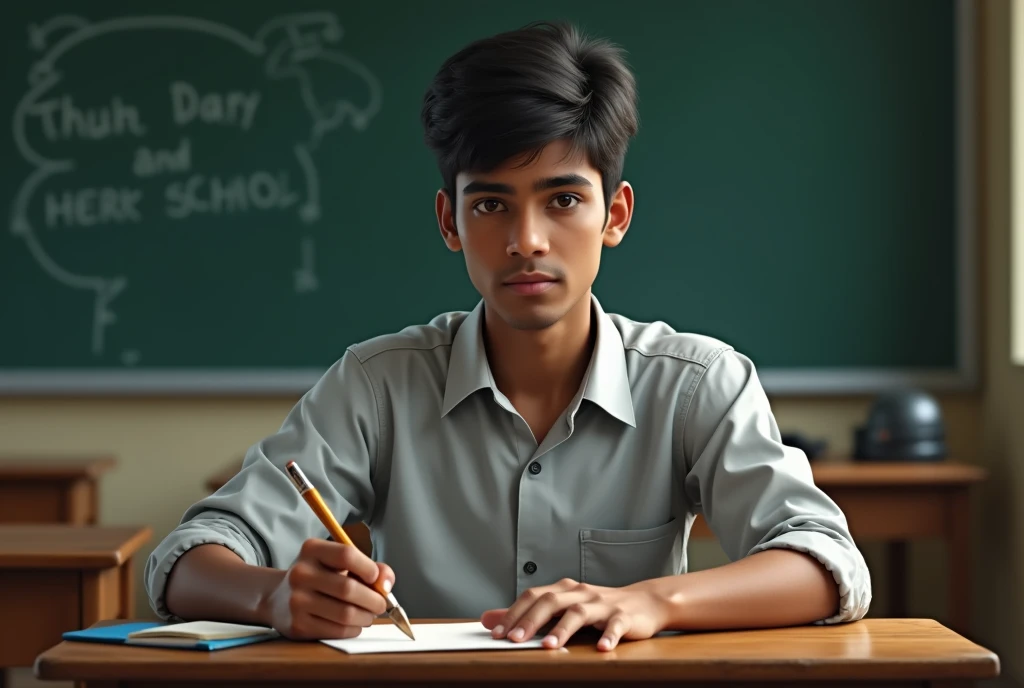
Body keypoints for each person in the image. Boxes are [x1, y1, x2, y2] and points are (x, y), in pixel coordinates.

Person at [145, 21, 871, 652]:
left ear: (615, 215)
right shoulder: (377, 384)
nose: (526, 241)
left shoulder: (694, 383)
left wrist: (651, 601)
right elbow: (184, 561)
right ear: (449, 223)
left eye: (563, 200)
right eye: (491, 203)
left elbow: (825, 562)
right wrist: (273, 597)